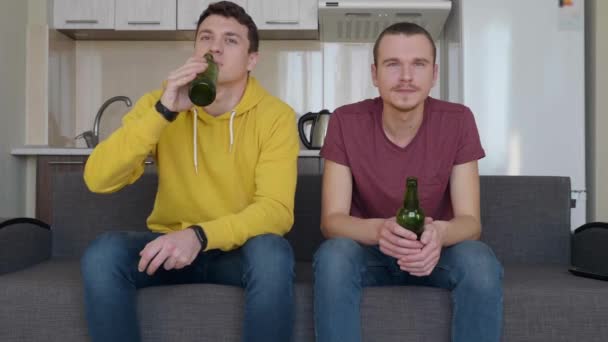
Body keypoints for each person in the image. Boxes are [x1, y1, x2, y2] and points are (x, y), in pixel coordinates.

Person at [80, 2, 299, 342]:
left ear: (252, 59)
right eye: (206, 38)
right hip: (171, 249)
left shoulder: (276, 116)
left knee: (273, 253)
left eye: (230, 40)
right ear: (196, 49)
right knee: (102, 253)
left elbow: (276, 211)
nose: (215, 47)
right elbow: (98, 178)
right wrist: (163, 111)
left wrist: (199, 236)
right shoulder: (161, 101)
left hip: (236, 252)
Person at [313, 22, 503, 342]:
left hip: (434, 253)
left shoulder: (459, 120)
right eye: (392, 65)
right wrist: (379, 231)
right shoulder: (345, 121)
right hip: (370, 253)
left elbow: (470, 222)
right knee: (333, 256)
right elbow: (331, 222)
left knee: (480, 260)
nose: (405, 77)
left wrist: (439, 234)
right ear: (374, 74)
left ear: (434, 73)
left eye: (418, 64)